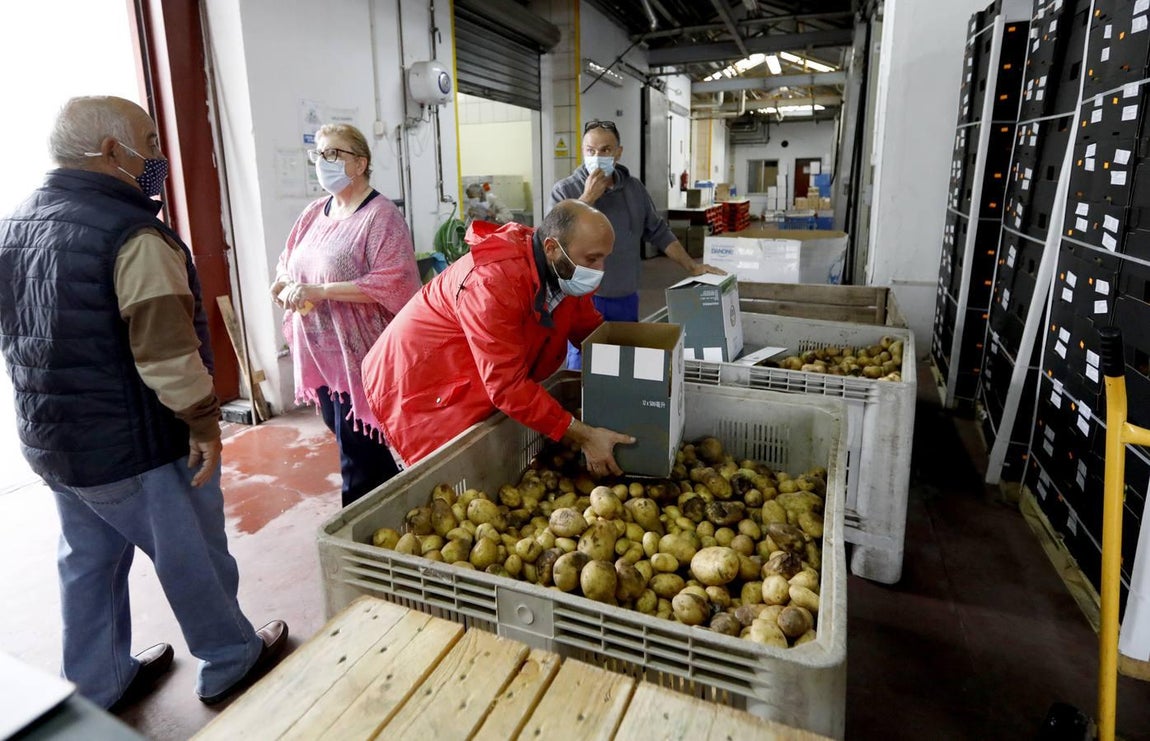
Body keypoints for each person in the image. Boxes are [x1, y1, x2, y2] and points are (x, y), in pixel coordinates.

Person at [0, 96, 287, 711]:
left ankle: (99, 681)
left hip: (57, 443)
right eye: (150, 142)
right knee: (191, 555)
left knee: (89, 562)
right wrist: (205, 424)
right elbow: (166, 352)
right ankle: (229, 658)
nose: (157, 156)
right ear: (112, 152)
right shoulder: (131, 233)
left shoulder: (18, 220)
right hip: (134, 443)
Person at [362, 199, 635, 476]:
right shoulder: (492, 282)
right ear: (552, 248)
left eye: (604, 258)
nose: (599, 270)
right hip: (421, 387)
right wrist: (585, 435)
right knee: (445, 479)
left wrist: (640, 374)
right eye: (592, 259)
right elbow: (508, 386)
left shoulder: (564, 274)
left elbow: (590, 332)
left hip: (477, 379)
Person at [270, 123, 422, 507]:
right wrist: (283, 282)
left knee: (359, 455)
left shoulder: (380, 217)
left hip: (361, 358)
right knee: (351, 441)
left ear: (360, 164)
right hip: (322, 357)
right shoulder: (313, 213)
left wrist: (320, 291)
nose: (323, 162)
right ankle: (400, 506)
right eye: (318, 155)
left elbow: (396, 281)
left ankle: (359, 534)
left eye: (333, 154)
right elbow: (289, 260)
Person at [551, 119, 726, 369]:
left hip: (626, 295)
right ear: (582, 151)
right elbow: (554, 242)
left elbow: (659, 232)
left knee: (624, 361)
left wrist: (692, 267)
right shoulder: (565, 191)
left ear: (618, 153)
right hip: (583, 299)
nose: (597, 156)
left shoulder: (634, 189)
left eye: (605, 150)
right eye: (591, 150)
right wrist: (587, 198)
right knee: (585, 364)